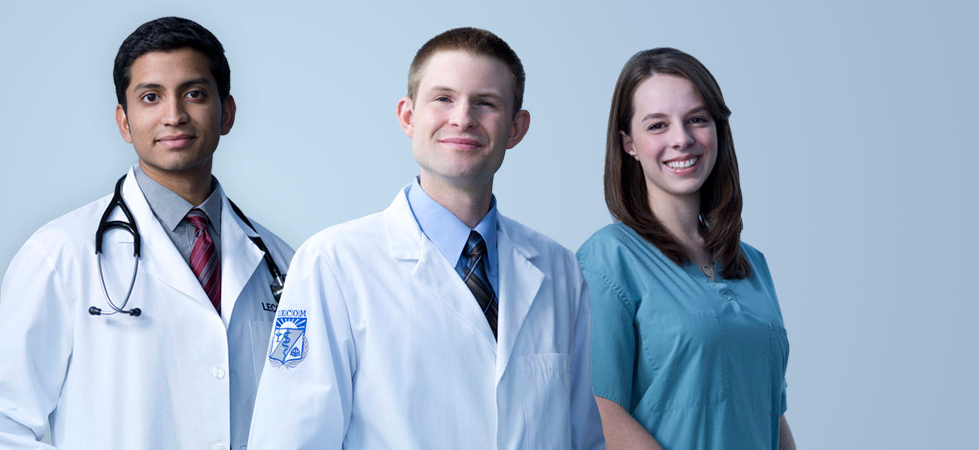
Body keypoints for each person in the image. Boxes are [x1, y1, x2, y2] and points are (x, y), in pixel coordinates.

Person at [247, 27, 604, 449]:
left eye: (486, 103)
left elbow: (583, 439)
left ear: (516, 128)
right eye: (443, 99)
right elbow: (291, 439)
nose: (463, 118)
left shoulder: (558, 269)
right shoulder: (333, 263)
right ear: (408, 116)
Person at [0, 17, 294, 450]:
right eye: (151, 97)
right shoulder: (59, 254)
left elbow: (303, 419)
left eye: (194, 93)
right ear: (124, 121)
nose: (174, 115)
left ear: (226, 113)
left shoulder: (282, 264)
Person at [577, 47, 795, 450]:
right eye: (657, 125)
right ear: (629, 144)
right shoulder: (608, 260)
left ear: (717, 129)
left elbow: (771, 412)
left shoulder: (752, 266)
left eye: (697, 119)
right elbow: (599, 411)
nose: (682, 139)